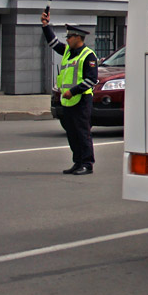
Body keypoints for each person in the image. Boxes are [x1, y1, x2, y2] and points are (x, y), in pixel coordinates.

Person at [42, 12, 98, 175]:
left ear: (78, 38)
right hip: (68, 101)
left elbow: (91, 79)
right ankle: (77, 162)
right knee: (72, 134)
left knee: (82, 133)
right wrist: (45, 25)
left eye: (69, 37)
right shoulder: (68, 52)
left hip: (81, 100)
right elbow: (52, 43)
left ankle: (87, 164)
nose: (66, 39)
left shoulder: (88, 55)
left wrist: (72, 92)